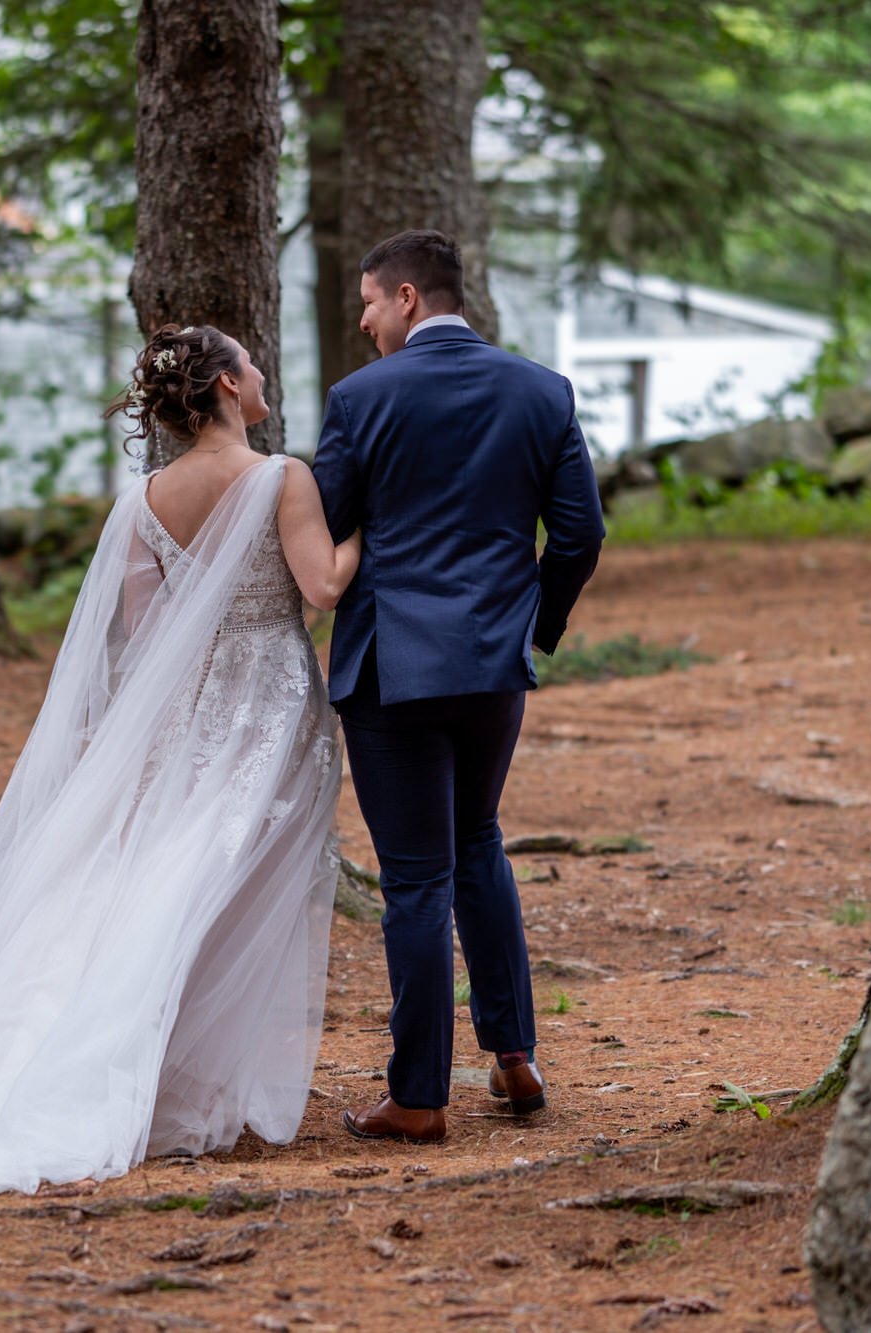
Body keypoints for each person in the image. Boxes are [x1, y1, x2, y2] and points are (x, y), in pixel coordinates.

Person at [0, 324, 361, 1198]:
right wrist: (381, 529)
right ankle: (167, 1083)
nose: (263, 369)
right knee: (217, 890)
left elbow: (146, 630)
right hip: (266, 707)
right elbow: (321, 586)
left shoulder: (143, 500)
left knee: (154, 880)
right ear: (227, 387)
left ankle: (122, 1068)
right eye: (251, 361)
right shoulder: (283, 479)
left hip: (179, 717)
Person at [315, 229, 605, 1143]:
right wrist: (534, 625)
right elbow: (580, 534)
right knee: (477, 840)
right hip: (491, 666)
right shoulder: (542, 390)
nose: (362, 321)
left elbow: (325, 525)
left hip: (392, 668)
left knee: (414, 877)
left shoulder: (360, 399)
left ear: (407, 297)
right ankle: (514, 1055)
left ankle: (418, 1096)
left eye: (367, 301)